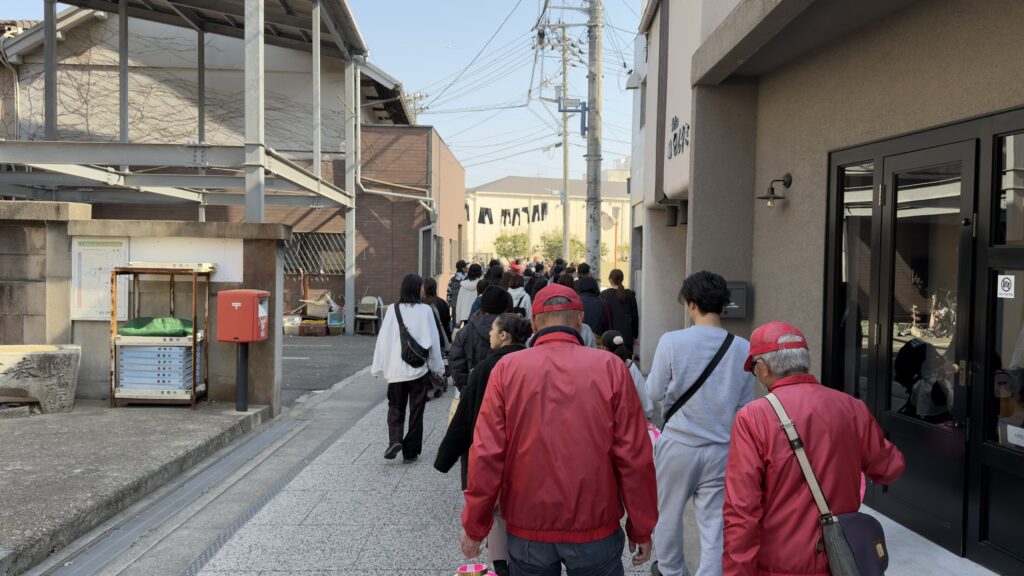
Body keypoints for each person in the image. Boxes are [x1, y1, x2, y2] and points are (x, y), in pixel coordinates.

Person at [460, 284, 658, 575]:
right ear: (579, 319)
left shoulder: (507, 369)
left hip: (528, 524)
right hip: (596, 524)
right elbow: (634, 456)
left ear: (536, 322)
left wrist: (475, 525)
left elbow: (487, 453)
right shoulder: (611, 368)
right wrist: (641, 527)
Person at [723, 321, 906, 576]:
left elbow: (741, 511)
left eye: (754, 368)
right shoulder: (851, 408)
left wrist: (737, 572)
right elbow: (890, 468)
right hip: (841, 558)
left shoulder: (753, 418)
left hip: (780, 564)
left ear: (763, 368)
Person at [646, 271, 755, 576]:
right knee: (714, 522)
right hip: (722, 448)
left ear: (691, 304)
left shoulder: (672, 341)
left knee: (668, 514)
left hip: (678, 444)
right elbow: (744, 405)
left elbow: (653, 391)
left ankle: (671, 571)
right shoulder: (743, 348)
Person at [436, 313, 532, 576]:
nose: (489, 334)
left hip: (491, 447)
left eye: (492, 330)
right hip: (529, 452)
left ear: (503, 336)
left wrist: (444, 458)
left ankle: (502, 564)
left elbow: (465, 418)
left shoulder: (486, 368)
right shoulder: (531, 363)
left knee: (497, 507)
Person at [370, 274, 444, 462]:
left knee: (395, 406)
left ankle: (394, 440)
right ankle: (410, 452)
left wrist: (378, 367)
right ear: (416, 289)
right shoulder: (426, 310)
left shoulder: (392, 310)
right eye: (421, 287)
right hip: (418, 370)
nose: (423, 290)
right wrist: (438, 367)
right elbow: (433, 340)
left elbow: (383, 340)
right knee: (416, 411)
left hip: (396, 371)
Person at [451, 285, 511, 391]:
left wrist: (466, 389)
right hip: (503, 392)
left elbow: (456, 363)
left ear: (482, 304)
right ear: (505, 306)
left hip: (474, 391)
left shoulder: (466, 331)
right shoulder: (511, 331)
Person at [602, 330, 653, 421]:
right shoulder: (630, 366)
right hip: (629, 419)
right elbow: (641, 392)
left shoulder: (601, 368)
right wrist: (648, 413)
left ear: (604, 348)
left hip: (607, 419)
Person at [601, 269, 640, 350]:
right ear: (622, 279)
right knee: (626, 361)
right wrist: (635, 335)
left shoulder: (604, 295)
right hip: (627, 336)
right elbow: (635, 317)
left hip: (610, 337)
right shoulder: (630, 295)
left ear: (611, 280)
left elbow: (602, 317)